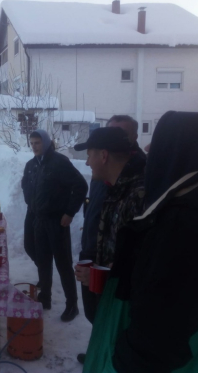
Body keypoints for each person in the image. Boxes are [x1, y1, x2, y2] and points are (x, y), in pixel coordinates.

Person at [84, 111, 198, 372]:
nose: (147, 149)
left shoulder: (177, 220)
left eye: (157, 143)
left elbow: (164, 316)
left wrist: (123, 357)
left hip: (141, 350)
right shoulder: (117, 189)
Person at [75, 116, 146, 364]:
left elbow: (141, 265)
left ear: (103, 156)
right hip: (107, 285)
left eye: (90, 155)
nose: (87, 162)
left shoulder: (137, 195)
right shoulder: (114, 187)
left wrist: (103, 276)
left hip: (126, 307)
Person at [21, 130, 88, 321]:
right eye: (32, 143)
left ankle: (72, 305)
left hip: (56, 221)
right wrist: (31, 203)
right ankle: (45, 297)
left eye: (38, 143)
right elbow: (25, 185)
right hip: (38, 219)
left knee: (63, 263)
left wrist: (69, 212)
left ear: (47, 143)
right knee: (42, 260)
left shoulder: (59, 163)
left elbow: (81, 186)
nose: (34, 146)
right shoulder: (31, 165)